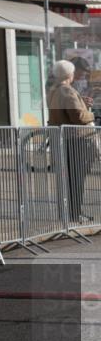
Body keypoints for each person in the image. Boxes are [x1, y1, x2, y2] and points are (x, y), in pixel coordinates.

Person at [49, 60, 97, 224]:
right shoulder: (67, 91)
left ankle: (70, 213)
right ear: (69, 74)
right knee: (77, 180)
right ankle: (75, 214)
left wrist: (81, 102)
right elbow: (78, 116)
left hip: (65, 140)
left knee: (70, 180)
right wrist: (92, 116)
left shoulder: (54, 90)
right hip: (77, 140)